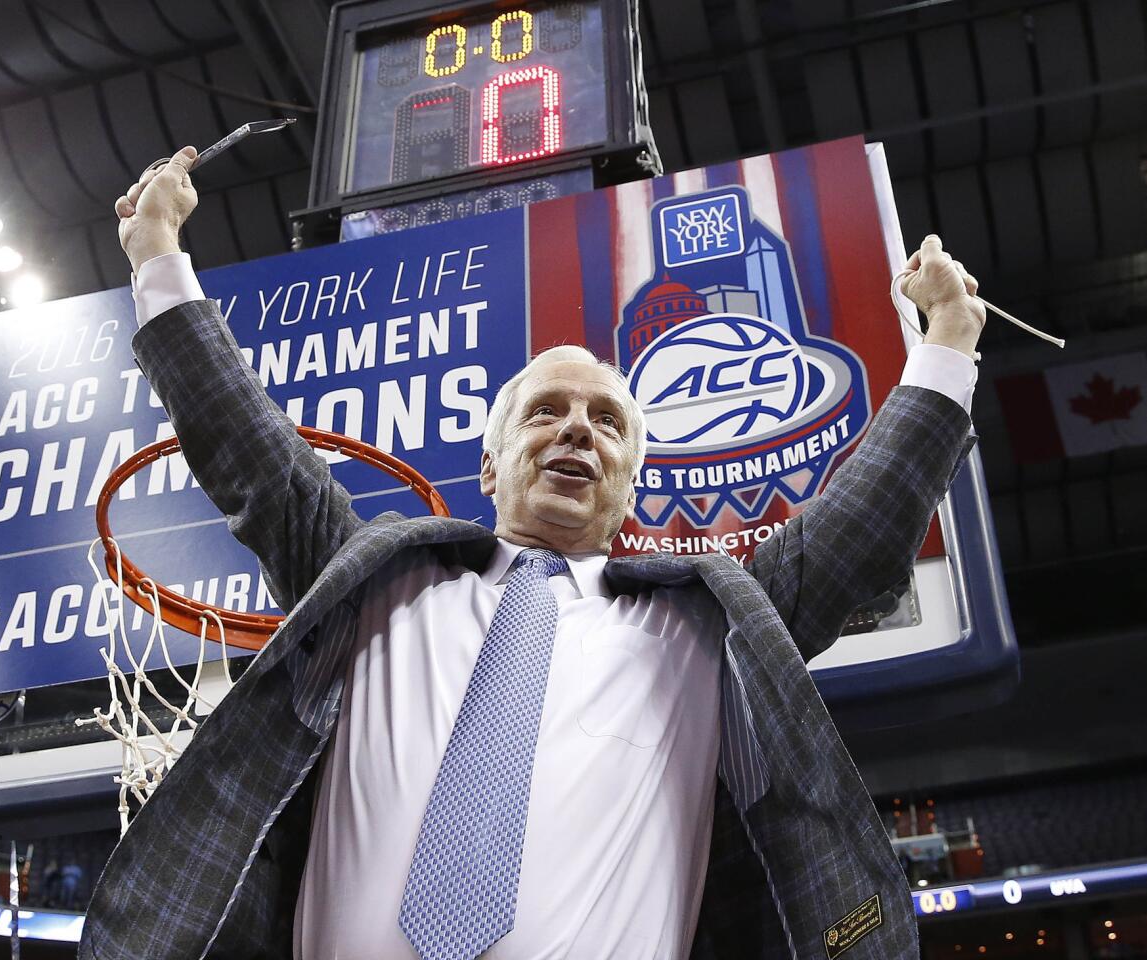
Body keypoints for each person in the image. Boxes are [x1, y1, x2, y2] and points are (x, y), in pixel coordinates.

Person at [79, 148, 983, 960]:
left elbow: (863, 530)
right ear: (489, 460)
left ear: (632, 476)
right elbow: (248, 448)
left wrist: (946, 341)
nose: (576, 432)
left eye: (607, 423)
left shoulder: (707, 623)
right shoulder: (376, 581)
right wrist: (158, 251)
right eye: (546, 411)